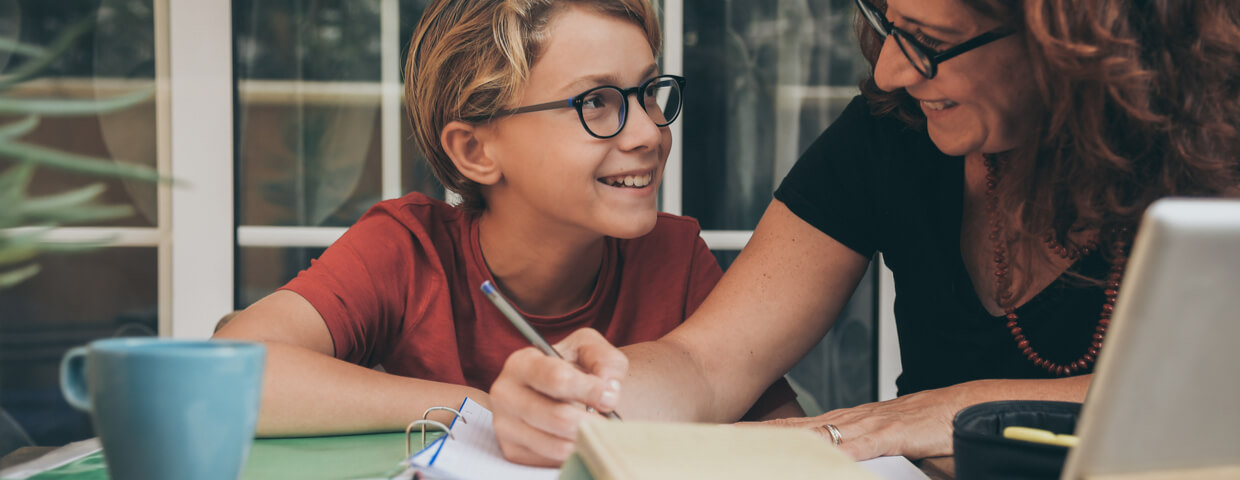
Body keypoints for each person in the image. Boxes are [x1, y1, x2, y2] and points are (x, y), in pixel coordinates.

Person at [489, 0, 1240, 464]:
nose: (888, 72)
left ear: (1072, 38)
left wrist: (938, 411)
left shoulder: (1217, 148)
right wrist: (592, 394)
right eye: (888, 23)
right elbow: (709, 363)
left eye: (929, 40)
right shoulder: (895, 133)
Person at [213, 0, 801, 436]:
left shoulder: (674, 259)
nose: (650, 131)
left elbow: (782, 439)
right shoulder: (407, 251)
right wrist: (486, 409)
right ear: (476, 151)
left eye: (649, 91)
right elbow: (232, 373)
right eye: (596, 101)